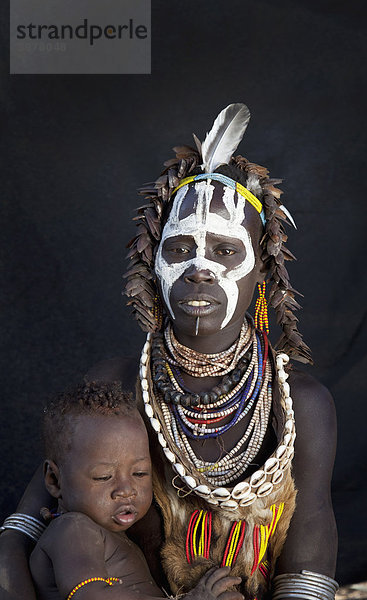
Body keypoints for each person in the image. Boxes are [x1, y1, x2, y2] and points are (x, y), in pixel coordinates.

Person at [0, 104, 338, 600]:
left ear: (261, 270)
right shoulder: (118, 385)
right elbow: (24, 528)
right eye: (180, 249)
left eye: (225, 251)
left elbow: (309, 548)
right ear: (152, 262)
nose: (200, 269)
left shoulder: (299, 405)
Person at [29, 380, 243, 600]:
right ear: (55, 480)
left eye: (139, 473)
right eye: (104, 477)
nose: (126, 490)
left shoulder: (108, 534)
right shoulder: (73, 529)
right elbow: (87, 595)